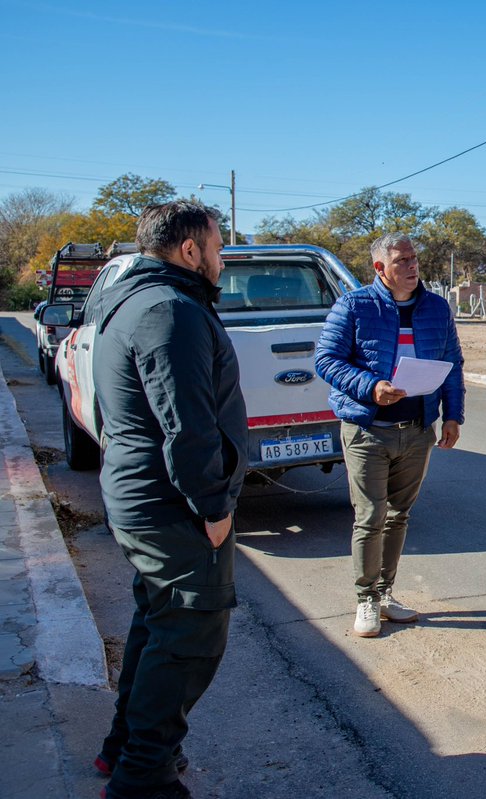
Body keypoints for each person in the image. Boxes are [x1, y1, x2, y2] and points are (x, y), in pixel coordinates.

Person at [92, 202, 247, 799]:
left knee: (158, 627)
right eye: (216, 245)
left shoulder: (140, 299)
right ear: (190, 251)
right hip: (172, 506)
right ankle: (143, 778)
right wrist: (213, 507)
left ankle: (123, 751)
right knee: (189, 637)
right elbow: (187, 426)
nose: (222, 256)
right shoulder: (168, 310)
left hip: (147, 498)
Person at [315, 233, 465, 638]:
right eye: (402, 261)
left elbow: (450, 361)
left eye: (414, 259)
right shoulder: (353, 305)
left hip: (417, 431)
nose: (412, 267)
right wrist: (371, 387)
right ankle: (365, 599)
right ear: (380, 268)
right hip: (368, 431)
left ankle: (385, 593)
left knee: (399, 515)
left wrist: (453, 415)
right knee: (370, 517)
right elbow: (326, 360)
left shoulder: (435, 308)